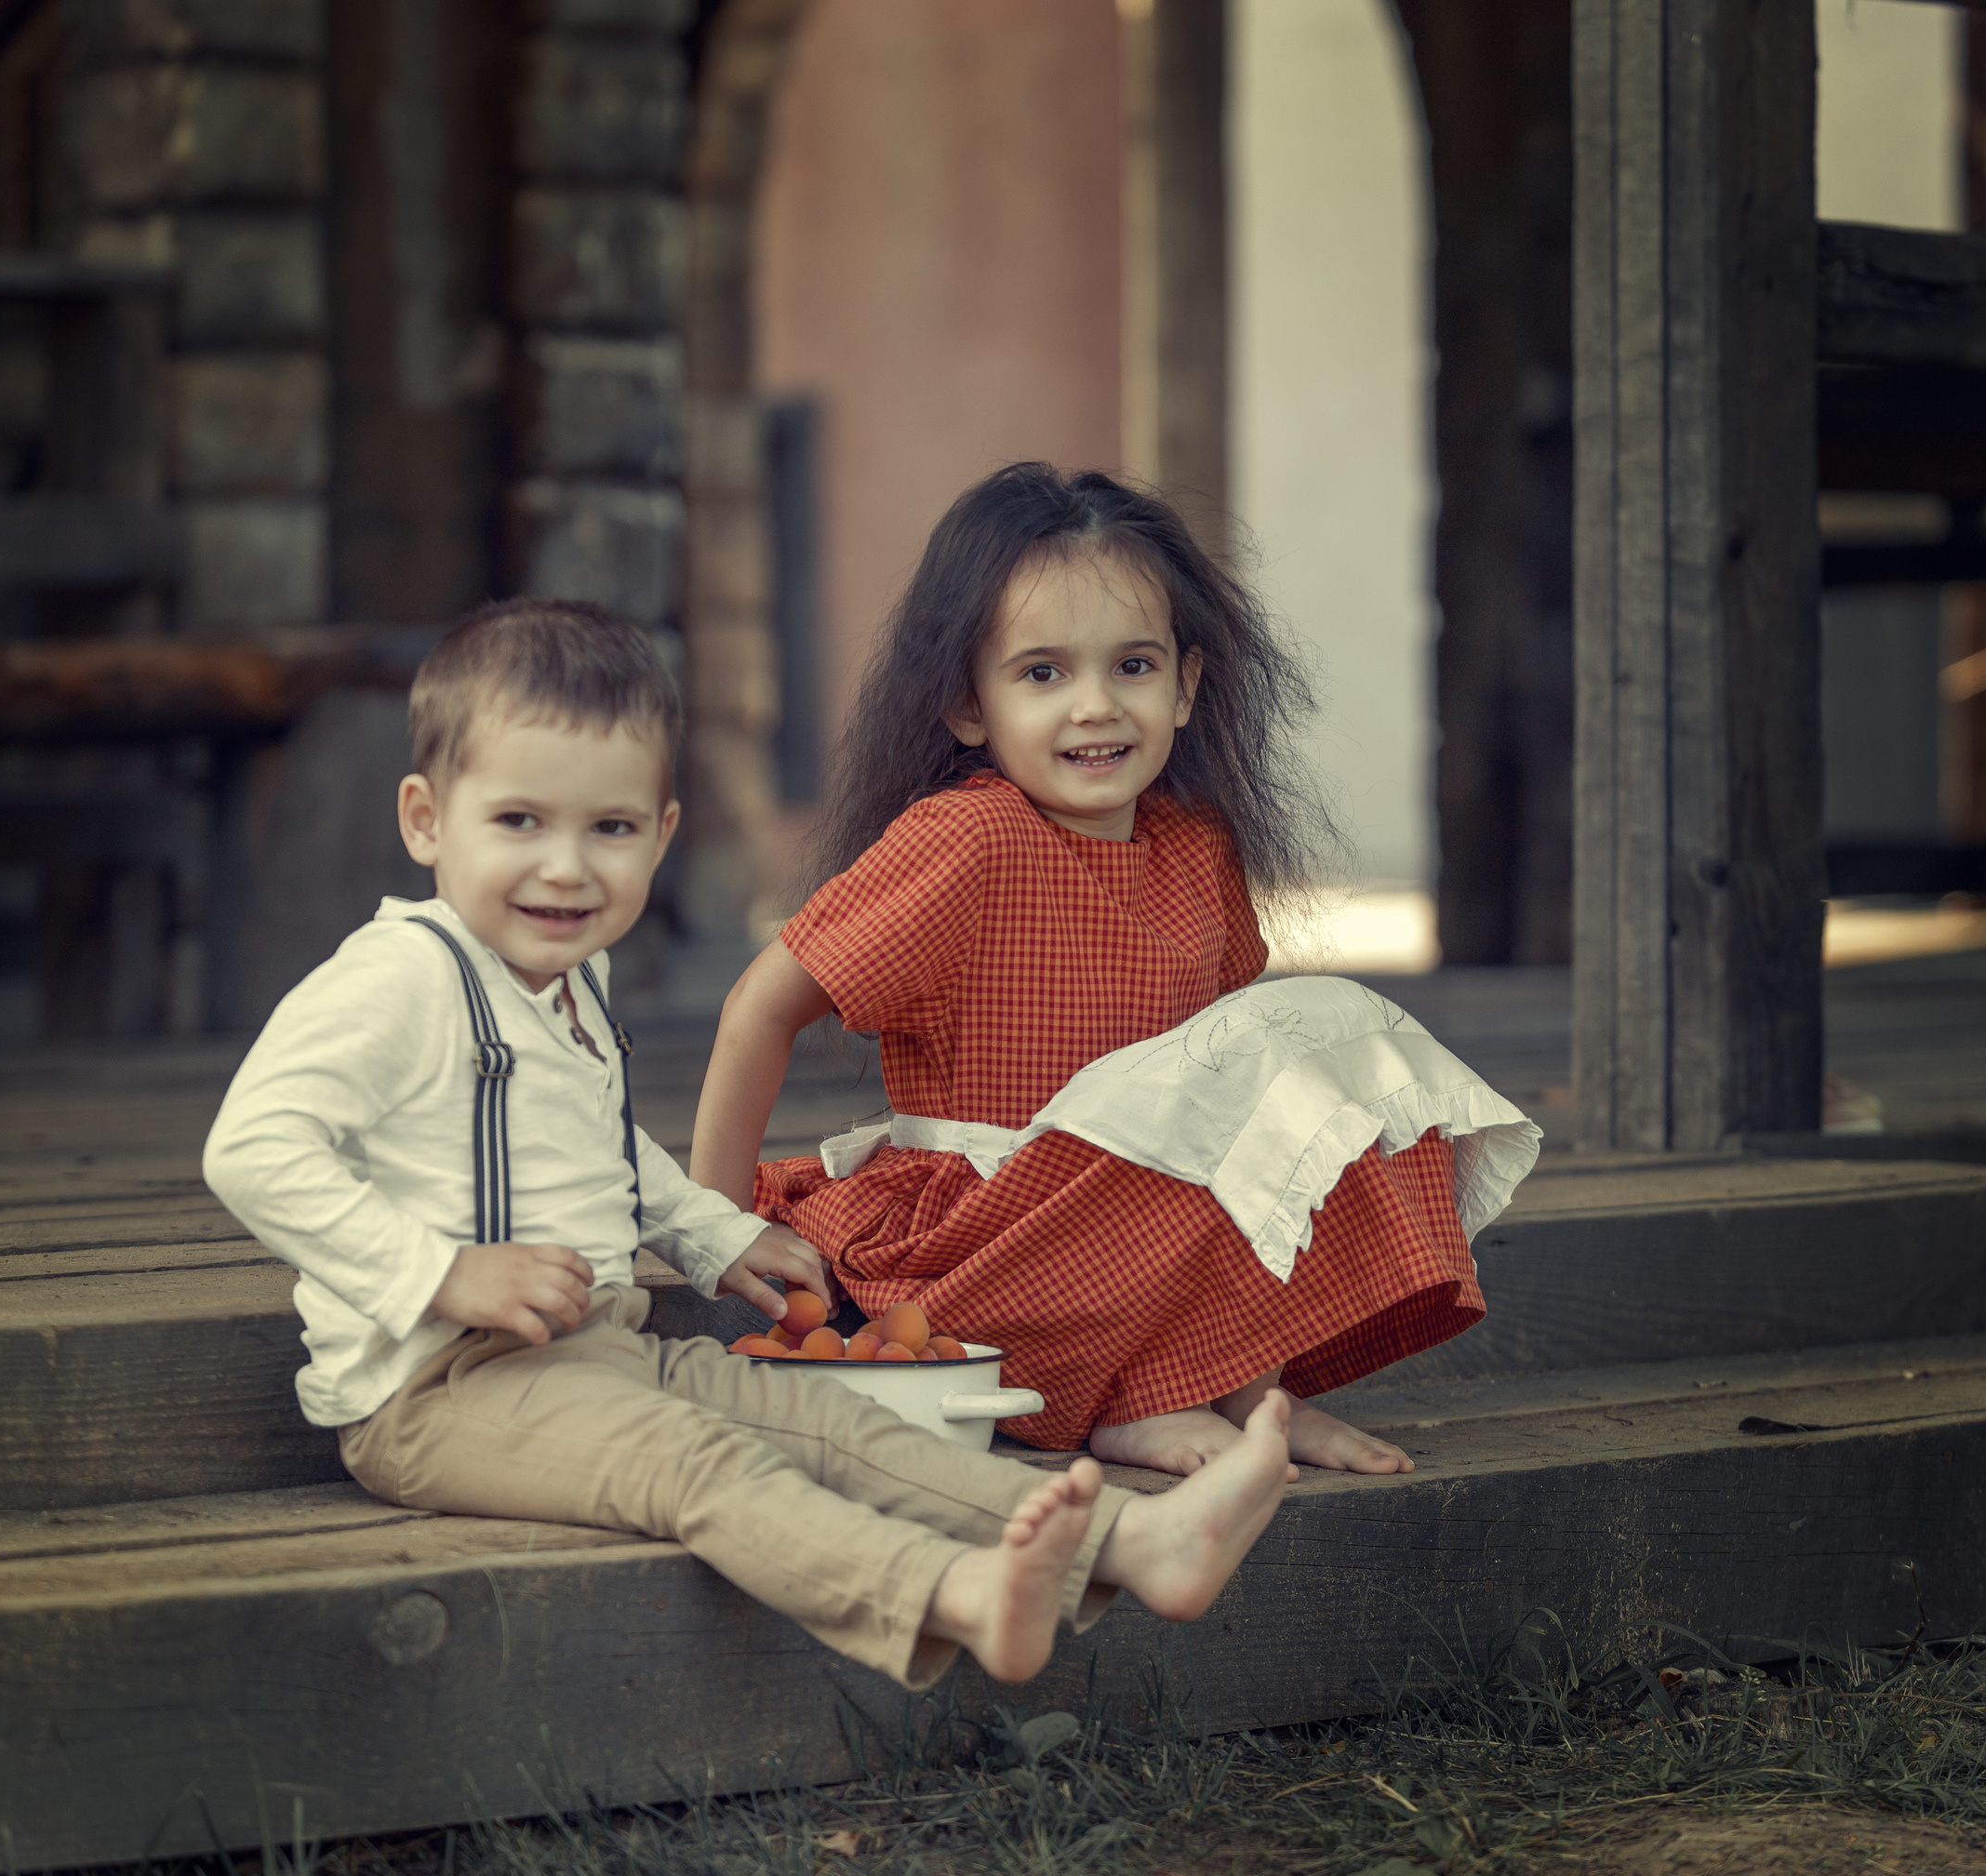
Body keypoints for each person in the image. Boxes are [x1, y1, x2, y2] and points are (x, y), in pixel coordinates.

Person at [203, 595, 1304, 1694]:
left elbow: (598, 1147)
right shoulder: (401, 978)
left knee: (821, 1417)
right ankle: (950, 1596)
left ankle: (1134, 1544)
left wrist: (712, 1237)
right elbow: (254, 1150)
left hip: (593, 1356)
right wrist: (441, 1271)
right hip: (439, 1394)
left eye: (611, 830)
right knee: (699, 1463)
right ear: (426, 820)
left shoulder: (563, 980)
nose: (567, 869)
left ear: (663, 836)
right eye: (519, 823)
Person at [690, 465, 1539, 1481]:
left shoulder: (1193, 846)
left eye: (1131, 666)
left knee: (1339, 1062)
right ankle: (1146, 1399)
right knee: (1254, 1083)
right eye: (1042, 674)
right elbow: (757, 1007)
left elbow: (1232, 1115)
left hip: (1136, 1244)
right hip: (987, 1253)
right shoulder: (968, 841)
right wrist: (710, 1225)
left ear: (1185, 685)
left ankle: (1245, 1385)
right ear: (969, 706)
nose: (1095, 707)